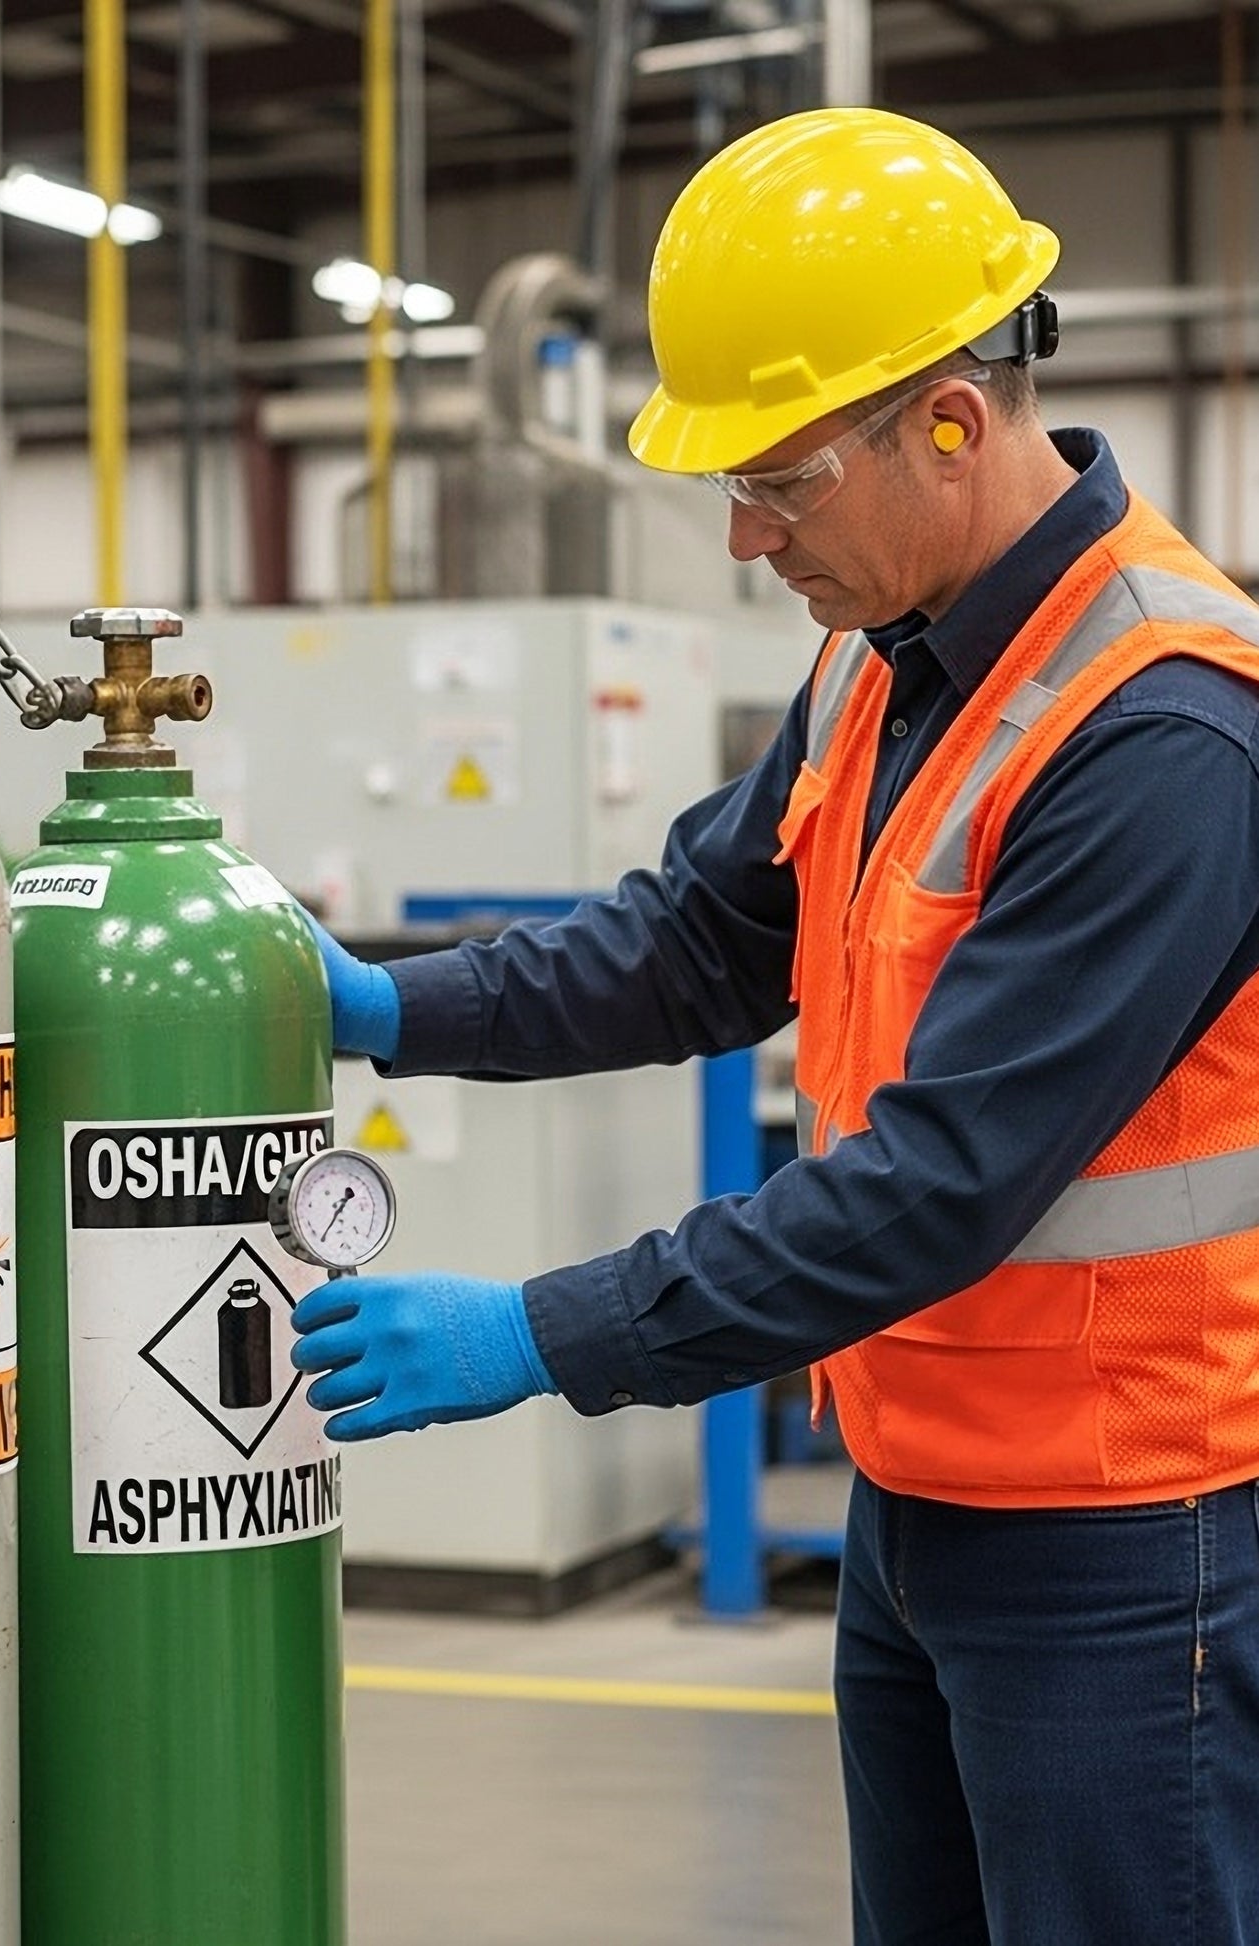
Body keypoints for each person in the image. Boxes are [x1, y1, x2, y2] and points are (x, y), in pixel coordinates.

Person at [290, 106, 1259, 1945]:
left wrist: (545, 1331)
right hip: (916, 1490)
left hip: (1122, 1541)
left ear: (950, 424)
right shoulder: (880, 657)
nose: (742, 537)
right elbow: (699, 941)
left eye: (780, 481)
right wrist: (391, 1004)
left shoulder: (1162, 728)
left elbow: (937, 1181)